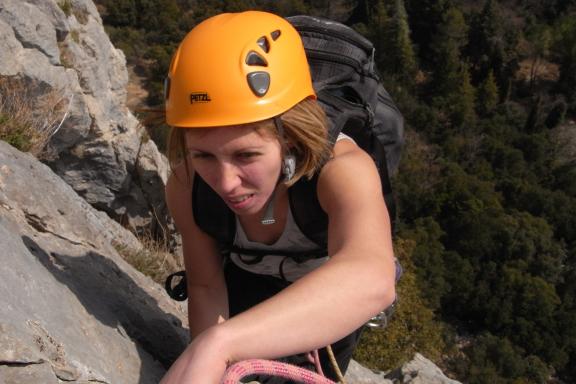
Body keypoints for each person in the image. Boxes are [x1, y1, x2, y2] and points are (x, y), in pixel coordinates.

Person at [160, 10, 397, 384]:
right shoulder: (186, 184)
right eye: (203, 155)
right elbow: (206, 284)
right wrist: (210, 354)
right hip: (242, 278)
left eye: (246, 155)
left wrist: (219, 344)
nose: (225, 183)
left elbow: (372, 278)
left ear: (290, 137)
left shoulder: (342, 169)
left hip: (327, 293)